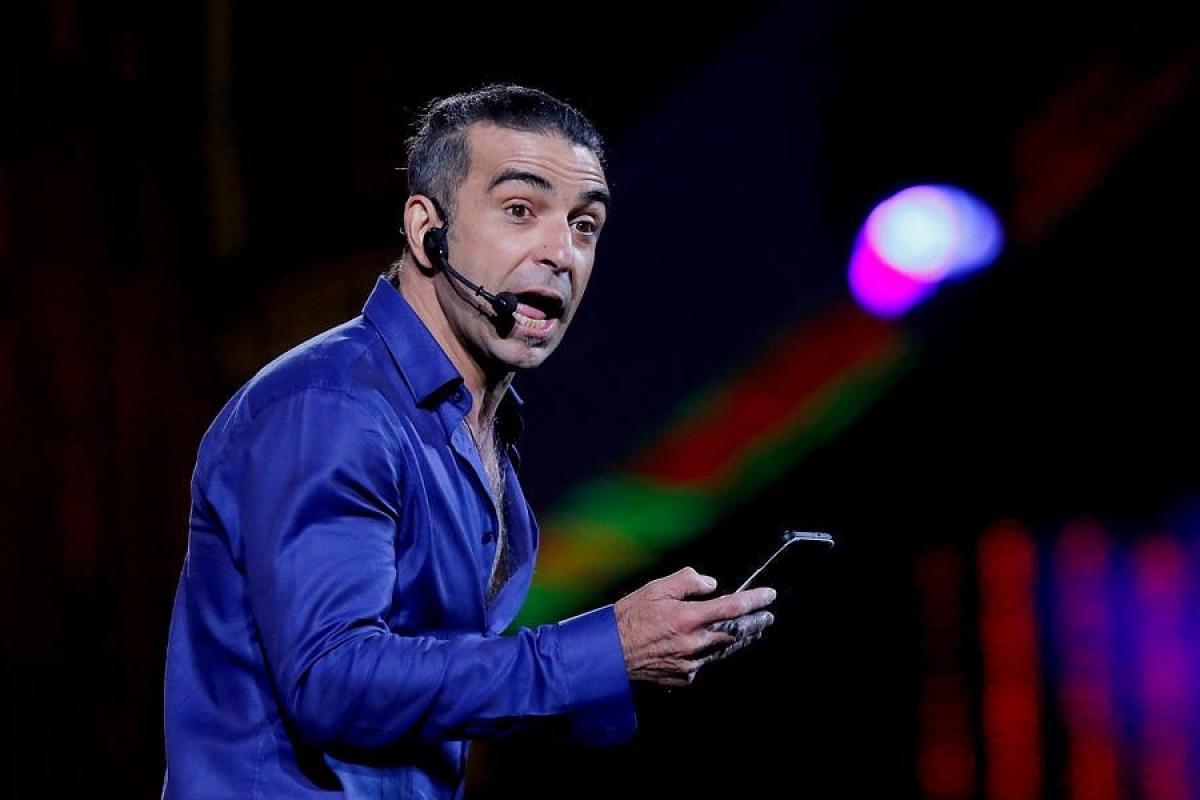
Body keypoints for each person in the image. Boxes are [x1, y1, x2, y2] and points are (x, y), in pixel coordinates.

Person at [162, 83, 776, 799]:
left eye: (585, 225)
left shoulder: (476, 426)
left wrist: (641, 655)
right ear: (428, 230)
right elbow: (333, 681)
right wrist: (603, 651)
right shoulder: (332, 408)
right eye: (521, 210)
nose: (562, 252)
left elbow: (439, 685)